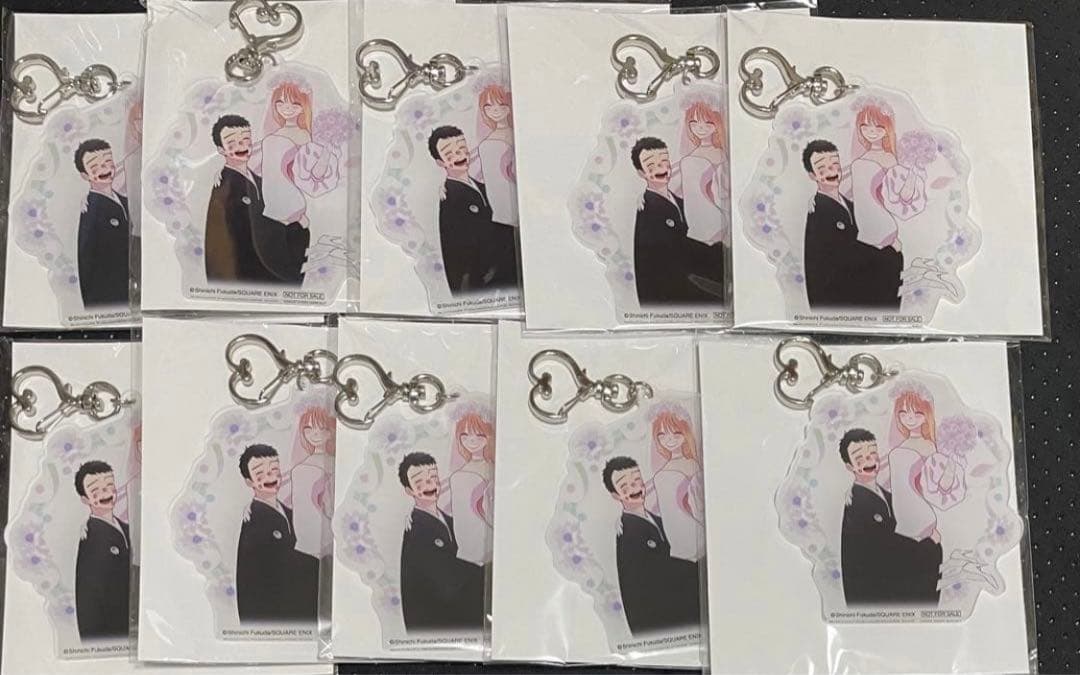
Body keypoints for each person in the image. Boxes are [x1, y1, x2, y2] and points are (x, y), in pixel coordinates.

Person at [879, 389, 966, 603]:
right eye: (903, 412)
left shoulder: (928, 447)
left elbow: (935, 487)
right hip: (900, 515)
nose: (909, 418)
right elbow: (891, 483)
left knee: (920, 579)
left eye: (916, 413)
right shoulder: (899, 445)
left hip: (920, 515)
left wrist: (950, 470)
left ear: (926, 415)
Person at [249, 78, 341, 278]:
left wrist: (327, 153)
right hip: (270, 198)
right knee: (272, 260)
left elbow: (311, 174)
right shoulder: (273, 132)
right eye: (280, 102)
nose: (287, 108)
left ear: (303, 107)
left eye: (294, 104)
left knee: (287, 262)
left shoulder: (303, 136)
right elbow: (255, 165)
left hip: (289, 198)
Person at [204, 115, 308, 284]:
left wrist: (295, 225)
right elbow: (236, 230)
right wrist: (292, 226)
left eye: (245, 140)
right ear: (221, 149)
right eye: (232, 143)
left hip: (266, 262)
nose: (241, 146)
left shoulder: (260, 180)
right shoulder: (224, 184)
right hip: (245, 268)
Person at [801, 139, 903, 309]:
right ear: (813, 175)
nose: (831, 171)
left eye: (835, 164)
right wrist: (888, 250)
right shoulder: (817, 210)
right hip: (838, 295)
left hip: (861, 284)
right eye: (822, 168)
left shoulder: (852, 204)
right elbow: (843, 253)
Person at [603, 456, 700, 636]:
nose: (634, 487)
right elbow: (659, 570)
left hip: (679, 605)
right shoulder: (626, 532)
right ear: (616, 495)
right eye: (624, 486)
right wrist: (700, 568)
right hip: (660, 619)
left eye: (637, 480)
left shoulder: (659, 520)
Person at [398, 452, 485, 632]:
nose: (430, 484)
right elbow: (448, 577)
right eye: (420, 481)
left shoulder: (451, 521)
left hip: (460, 616)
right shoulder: (415, 529)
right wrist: (488, 572)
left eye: (433, 477)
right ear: (409, 490)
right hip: (436, 624)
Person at [429, 125, 518, 295]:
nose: (459, 155)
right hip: (482, 282)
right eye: (450, 154)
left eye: (462, 148)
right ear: (440, 162)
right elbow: (459, 249)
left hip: (505, 270)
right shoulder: (448, 196)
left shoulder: (483, 186)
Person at [235, 444, 319, 624]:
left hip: (295, 600)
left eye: (274, 469)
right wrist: (320, 563)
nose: (270, 476)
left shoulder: (288, 512)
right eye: (260, 473)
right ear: (249, 481)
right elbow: (277, 561)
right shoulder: (253, 518)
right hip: (272, 608)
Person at [631, 137, 714, 307]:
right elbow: (678, 249)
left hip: (686, 277)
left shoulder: (680, 201)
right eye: (651, 165)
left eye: (664, 161)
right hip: (664, 293)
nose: (661, 168)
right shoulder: (646, 208)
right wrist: (718, 256)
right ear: (641, 173)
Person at [675, 98, 729, 302]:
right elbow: (682, 187)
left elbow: (720, 188)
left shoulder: (721, 155)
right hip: (693, 213)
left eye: (708, 123)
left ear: (717, 124)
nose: (700, 128)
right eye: (694, 122)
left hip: (713, 212)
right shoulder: (691, 153)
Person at [74, 460, 130, 640]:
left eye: (109, 485)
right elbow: (88, 595)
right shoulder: (89, 536)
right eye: (95, 490)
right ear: (85, 499)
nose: (105, 492)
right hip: (110, 628)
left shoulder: (128, 529)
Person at [75, 139, 131, 308]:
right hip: (108, 296)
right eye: (95, 166)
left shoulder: (125, 201)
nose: (105, 168)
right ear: (85, 175)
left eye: (108, 161)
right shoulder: (89, 210)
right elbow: (86, 262)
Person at [646, 407, 705, 563]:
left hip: (690, 526)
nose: (669, 440)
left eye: (676, 433)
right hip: (671, 528)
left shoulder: (691, 464)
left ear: (685, 434)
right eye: (662, 435)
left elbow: (697, 500)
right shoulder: (664, 468)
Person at [281, 406, 335, 560]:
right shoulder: (300, 465)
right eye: (308, 429)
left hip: (322, 527)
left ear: (330, 432)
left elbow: (329, 504)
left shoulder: (332, 464)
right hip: (302, 528)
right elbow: (292, 501)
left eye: (321, 428)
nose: (314, 434)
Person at [443, 410, 495, 566]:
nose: (472, 441)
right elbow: (452, 505)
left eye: (479, 435)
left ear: (488, 437)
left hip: (483, 531)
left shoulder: (491, 469)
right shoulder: (461, 469)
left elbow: (489, 506)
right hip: (463, 531)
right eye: (465, 436)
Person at [474, 83, 518, 227]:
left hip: (515, 195)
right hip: (497, 201)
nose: (495, 110)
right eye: (488, 107)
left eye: (500, 105)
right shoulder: (486, 140)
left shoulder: (514, 134)